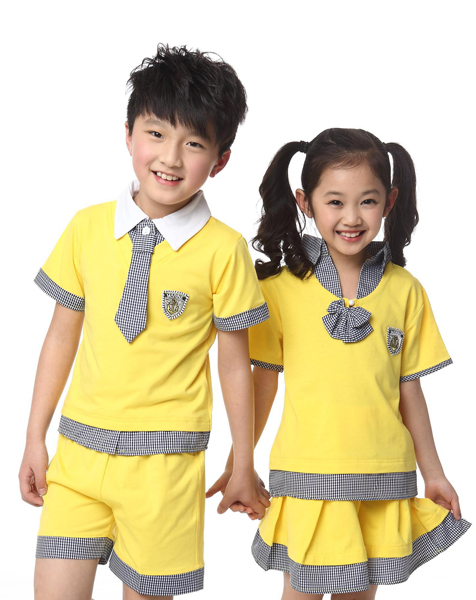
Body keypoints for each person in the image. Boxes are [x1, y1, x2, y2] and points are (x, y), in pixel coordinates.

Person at [19, 44, 270, 600]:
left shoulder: (223, 249)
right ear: (129, 134)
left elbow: (235, 363)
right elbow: (60, 336)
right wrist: (34, 436)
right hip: (79, 456)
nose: (171, 158)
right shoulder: (86, 228)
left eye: (194, 143)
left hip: (166, 466)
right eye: (156, 134)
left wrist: (243, 461)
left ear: (220, 160)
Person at [208, 128, 471, 599]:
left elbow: (409, 390)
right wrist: (238, 463)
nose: (352, 217)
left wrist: (433, 473)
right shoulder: (278, 291)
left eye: (367, 201)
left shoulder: (405, 290)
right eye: (335, 202)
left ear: (389, 201)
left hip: (383, 478)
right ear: (305, 202)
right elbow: (261, 385)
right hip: (309, 477)